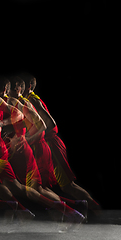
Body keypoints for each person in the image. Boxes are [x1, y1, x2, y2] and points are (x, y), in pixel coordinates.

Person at [23, 75, 101, 215]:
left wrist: (30, 138)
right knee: (39, 187)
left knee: (67, 186)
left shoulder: (32, 100)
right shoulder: (26, 100)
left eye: (21, 85)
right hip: (42, 146)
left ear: (28, 86)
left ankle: (97, 210)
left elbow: (51, 124)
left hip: (51, 144)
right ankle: (73, 208)